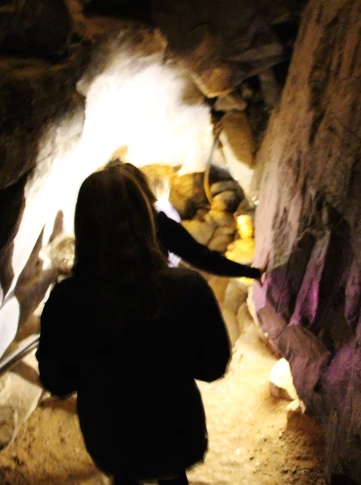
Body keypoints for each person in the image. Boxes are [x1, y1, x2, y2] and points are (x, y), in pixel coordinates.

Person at [36, 168, 231, 485]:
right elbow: (212, 367)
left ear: (83, 227)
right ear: (146, 218)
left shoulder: (67, 300)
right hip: (177, 434)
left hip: (111, 441)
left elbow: (57, 382)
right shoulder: (187, 287)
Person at [106, 161, 263, 280]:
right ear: (144, 191)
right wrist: (250, 272)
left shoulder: (103, 238)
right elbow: (201, 258)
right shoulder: (158, 226)